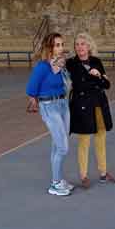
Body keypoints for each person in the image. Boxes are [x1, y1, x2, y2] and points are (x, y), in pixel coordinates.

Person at [67, 32, 115, 189]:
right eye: (77, 44)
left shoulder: (96, 61)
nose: (80, 47)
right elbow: (79, 85)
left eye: (83, 44)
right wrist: (94, 80)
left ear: (89, 46)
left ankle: (103, 172)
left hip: (98, 104)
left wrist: (98, 76)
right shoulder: (71, 63)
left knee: (100, 138)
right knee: (84, 141)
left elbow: (106, 84)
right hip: (82, 106)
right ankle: (83, 176)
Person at [26, 32, 74, 197]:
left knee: (57, 144)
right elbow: (31, 89)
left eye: (62, 44)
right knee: (63, 147)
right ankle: (55, 184)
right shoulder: (42, 67)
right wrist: (34, 103)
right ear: (50, 47)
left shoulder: (61, 65)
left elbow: (66, 85)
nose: (61, 48)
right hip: (49, 106)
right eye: (57, 45)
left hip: (63, 104)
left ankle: (59, 179)